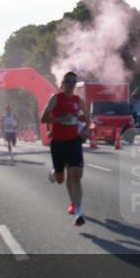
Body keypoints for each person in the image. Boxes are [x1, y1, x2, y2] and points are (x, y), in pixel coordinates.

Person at [41, 71, 89, 226]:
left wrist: (85, 129)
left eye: (73, 82)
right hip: (58, 143)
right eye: (67, 81)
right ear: (62, 83)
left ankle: (78, 212)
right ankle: (55, 173)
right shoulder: (56, 98)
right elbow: (44, 118)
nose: (70, 85)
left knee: (76, 175)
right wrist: (61, 119)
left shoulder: (78, 100)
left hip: (74, 141)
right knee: (62, 179)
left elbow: (88, 117)